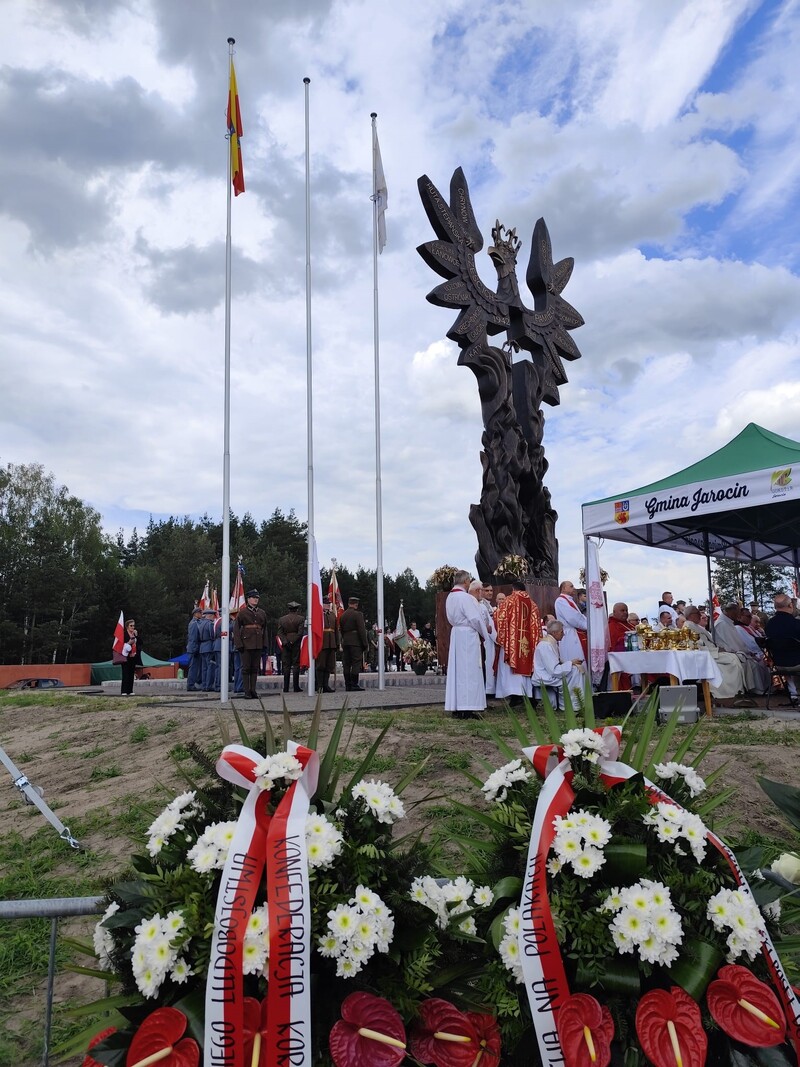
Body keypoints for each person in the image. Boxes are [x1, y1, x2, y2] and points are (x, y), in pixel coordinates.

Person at [444, 569, 490, 719]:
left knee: (458, 671)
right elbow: (476, 619)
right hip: (468, 636)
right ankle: (468, 707)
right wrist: (485, 633)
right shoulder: (466, 598)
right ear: (465, 582)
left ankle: (457, 706)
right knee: (469, 671)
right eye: (469, 581)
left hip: (457, 634)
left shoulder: (450, 597)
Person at [683, 606, 745, 699]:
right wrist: (716, 650)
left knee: (735, 658)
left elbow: (708, 642)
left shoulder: (696, 626)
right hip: (707, 655)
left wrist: (718, 648)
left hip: (712, 652)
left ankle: (736, 690)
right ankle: (728, 692)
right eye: (697, 613)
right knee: (732, 661)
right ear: (690, 615)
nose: (700, 615)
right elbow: (696, 645)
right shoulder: (688, 627)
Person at [494, 579, 540, 704]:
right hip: (527, 642)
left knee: (511, 670)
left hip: (512, 641)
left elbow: (499, 618)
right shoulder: (533, 604)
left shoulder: (509, 600)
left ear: (513, 589)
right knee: (525, 664)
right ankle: (527, 694)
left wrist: (501, 637)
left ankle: (515, 696)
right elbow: (537, 627)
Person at [715, 602, 769, 694]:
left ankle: (762, 688)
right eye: (737, 613)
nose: (738, 616)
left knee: (757, 663)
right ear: (731, 612)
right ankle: (757, 690)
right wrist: (747, 652)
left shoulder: (728, 623)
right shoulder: (722, 624)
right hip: (729, 653)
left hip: (736, 652)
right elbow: (733, 644)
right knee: (754, 665)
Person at [532, 619, 585, 701]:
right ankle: (570, 703)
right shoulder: (546, 646)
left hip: (549, 673)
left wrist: (571, 663)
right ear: (554, 633)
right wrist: (571, 663)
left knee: (577, 669)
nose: (563, 634)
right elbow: (554, 671)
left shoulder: (551, 643)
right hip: (545, 676)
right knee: (575, 672)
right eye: (561, 632)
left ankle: (578, 701)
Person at [765, 593, 800, 705]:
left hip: (779, 664)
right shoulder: (796, 624)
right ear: (790, 605)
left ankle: (794, 695)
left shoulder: (769, 625)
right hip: (797, 663)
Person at [238, 589, 266, 699]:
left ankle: (253, 690)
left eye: (257, 598)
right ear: (248, 599)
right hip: (246, 643)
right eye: (253, 597)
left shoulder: (262, 613)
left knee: (255, 668)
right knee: (246, 669)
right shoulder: (243, 612)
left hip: (258, 643)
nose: (255, 599)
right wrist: (239, 644)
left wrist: (265, 644)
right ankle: (246, 691)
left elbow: (265, 629)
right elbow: (236, 630)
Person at [340, 596, 369, 691]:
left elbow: (342, 630)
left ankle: (348, 684)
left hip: (346, 642)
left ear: (349, 604)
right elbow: (362, 630)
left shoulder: (343, 615)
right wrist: (365, 644)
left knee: (347, 664)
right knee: (356, 663)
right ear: (356, 604)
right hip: (356, 642)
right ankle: (354, 684)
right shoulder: (358, 615)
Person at [554, 581, 587, 665]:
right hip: (570, 635)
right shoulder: (560, 601)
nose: (574, 588)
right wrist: (587, 625)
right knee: (574, 659)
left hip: (575, 633)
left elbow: (578, 615)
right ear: (564, 588)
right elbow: (572, 617)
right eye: (571, 586)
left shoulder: (569, 600)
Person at [278, 600, 305, 693]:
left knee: (286, 665)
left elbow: (280, 632)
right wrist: (293, 641)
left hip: (286, 643)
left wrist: (286, 642)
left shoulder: (282, 619)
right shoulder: (301, 619)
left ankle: (286, 687)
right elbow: (300, 632)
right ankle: (296, 686)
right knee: (296, 664)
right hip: (296, 643)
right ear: (297, 609)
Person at [480, 583, 497, 696]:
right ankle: (487, 690)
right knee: (486, 663)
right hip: (485, 639)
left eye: (491, 590)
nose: (490, 593)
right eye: (487, 590)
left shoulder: (489, 605)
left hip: (491, 639)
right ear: (481, 591)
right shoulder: (481, 605)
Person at [119, 619, 140, 696]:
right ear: (127, 627)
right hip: (125, 657)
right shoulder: (124, 634)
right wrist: (128, 643)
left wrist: (137, 636)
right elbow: (121, 645)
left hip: (133, 656)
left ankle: (130, 690)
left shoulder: (134, 635)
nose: (133, 627)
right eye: (131, 626)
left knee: (131, 674)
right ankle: (124, 690)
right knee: (125, 673)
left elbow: (141, 643)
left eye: (134, 626)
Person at [199, 608, 216, 691]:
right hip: (209, 646)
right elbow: (212, 635)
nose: (214, 617)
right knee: (210, 667)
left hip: (202, 647)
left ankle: (204, 685)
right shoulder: (210, 624)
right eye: (213, 615)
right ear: (210, 616)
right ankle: (208, 685)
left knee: (204, 668)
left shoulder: (201, 624)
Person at [186, 607, 202, 692]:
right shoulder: (194, 624)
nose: (201, 614)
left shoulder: (195, 623)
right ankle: (190, 684)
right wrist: (195, 649)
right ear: (195, 614)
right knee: (193, 667)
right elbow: (193, 638)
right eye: (200, 613)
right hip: (193, 648)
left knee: (195, 667)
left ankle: (192, 683)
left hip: (194, 647)